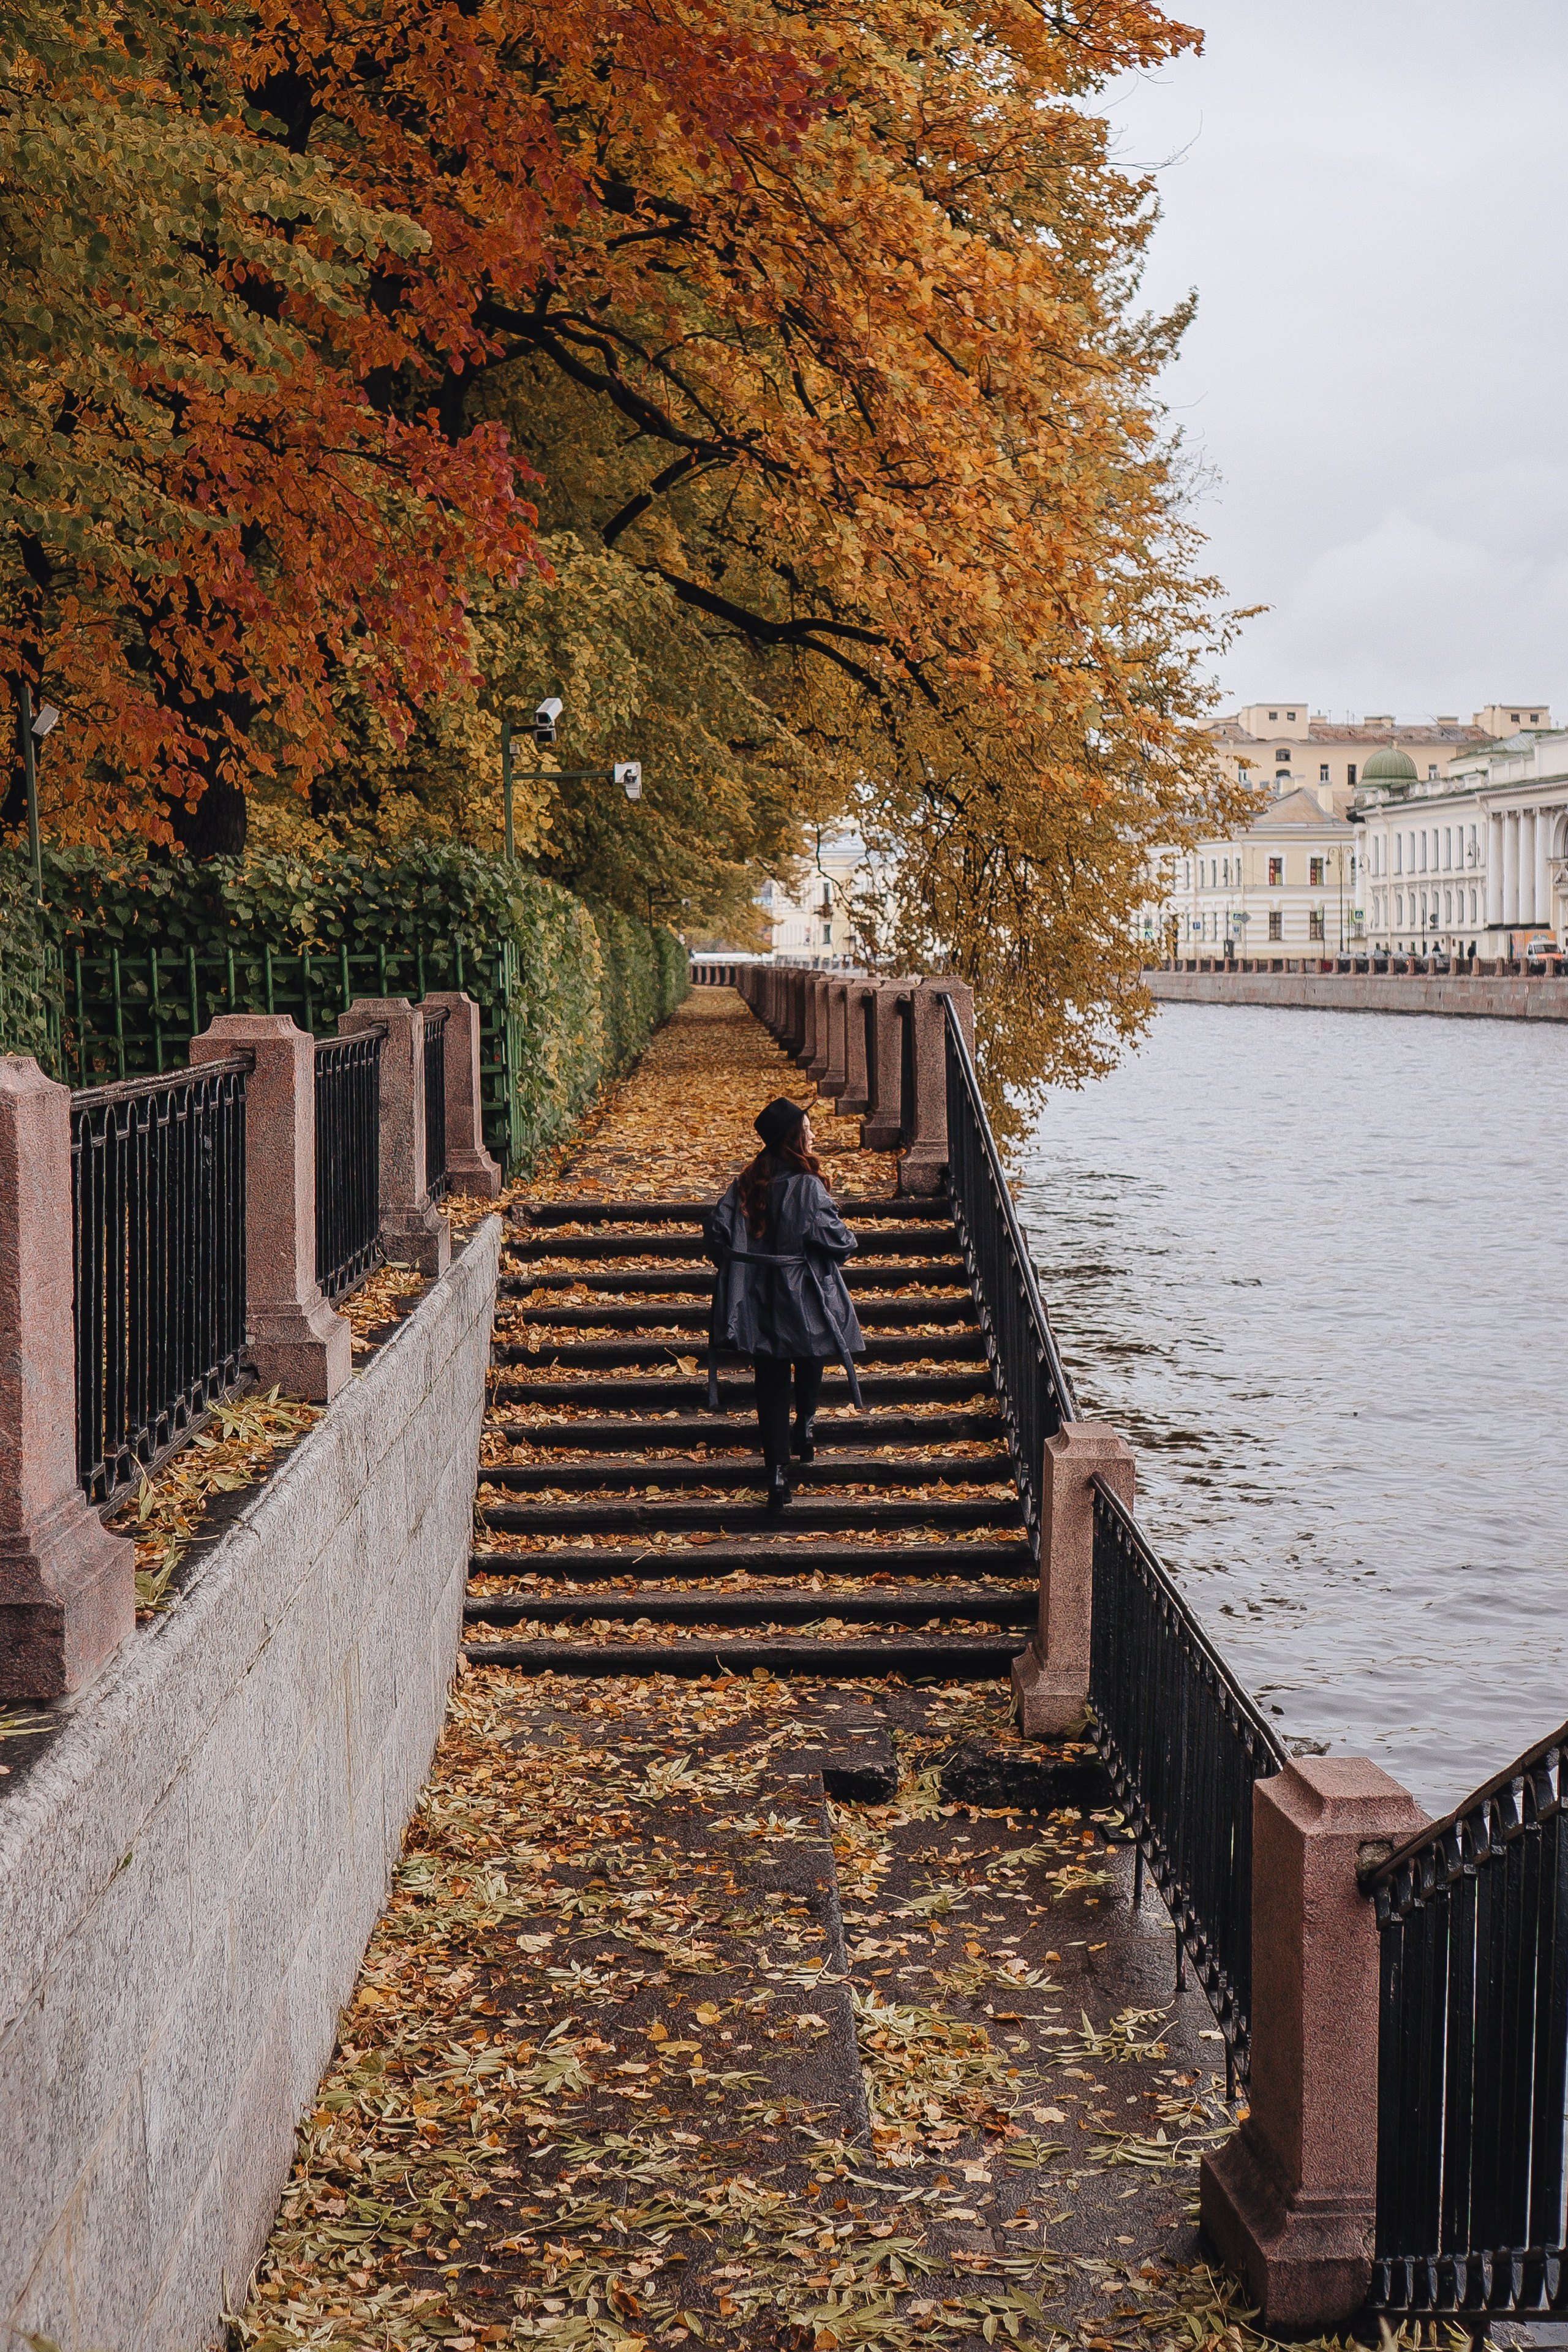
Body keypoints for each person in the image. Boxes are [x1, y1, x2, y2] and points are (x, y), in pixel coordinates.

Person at [703, 1097, 865, 1513]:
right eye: (808, 1128)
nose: (813, 1134)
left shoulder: (745, 1182)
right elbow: (841, 1242)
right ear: (794, 1138)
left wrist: (745, 1264)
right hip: (803, 1298)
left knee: (771, 1381)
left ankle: (777, 1474)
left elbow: (715, 1236)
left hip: (758, 1299)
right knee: (813, 1353)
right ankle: (806, 1427)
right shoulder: (808, 1187)